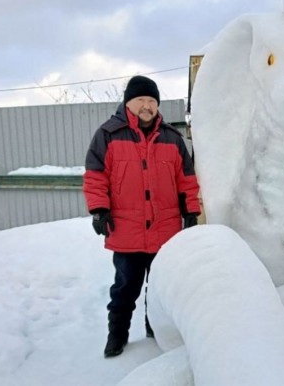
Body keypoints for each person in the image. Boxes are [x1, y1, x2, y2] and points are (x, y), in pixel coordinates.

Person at [82, 75, 201, 358]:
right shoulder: (108, 135)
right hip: (126, 230)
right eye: (140, 100)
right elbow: (95, 177)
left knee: (159, 290)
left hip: (165, 230)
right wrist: (99, 209)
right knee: (125, 288)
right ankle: (117, 336)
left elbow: (186, 179)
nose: (146, 106)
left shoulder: (172, 138)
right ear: (128, 102)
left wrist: (191, 211)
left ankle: (155, 331)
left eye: (151, 101)